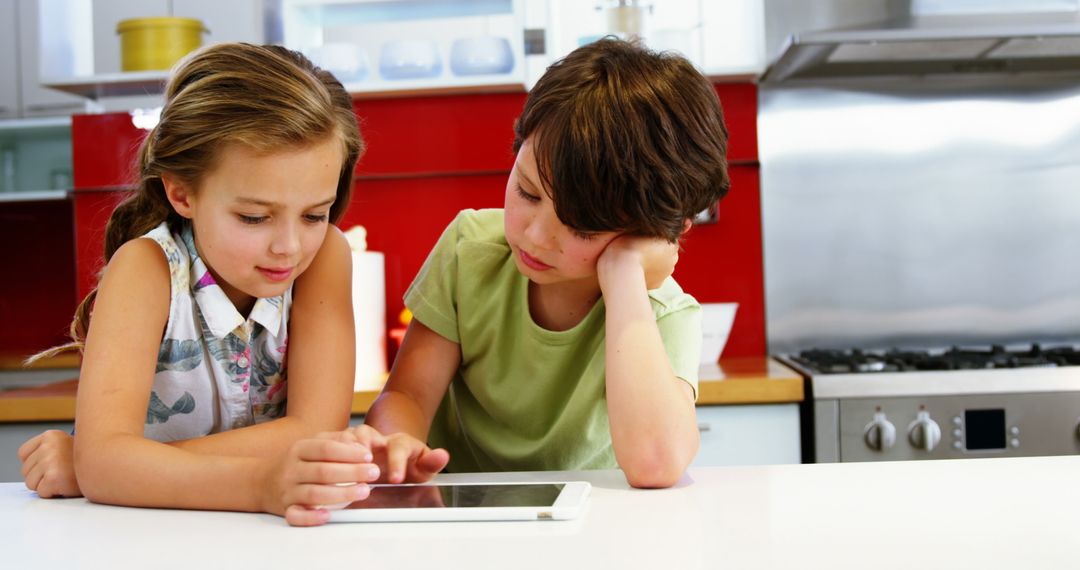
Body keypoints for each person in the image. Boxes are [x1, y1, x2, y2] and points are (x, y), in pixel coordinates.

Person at [16, 43, 408, 526]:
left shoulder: (325, 255)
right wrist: (259, 485)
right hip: (140, 537)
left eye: (314, 214)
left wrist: (116, 465)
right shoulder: (146, 270)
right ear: (181, 191)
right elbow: (105, 464)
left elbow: (314, 430)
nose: (288, 246)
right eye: (254, 216)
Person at [364, 37, 730, 488]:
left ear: (655, 233)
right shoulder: (471, 250)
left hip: (593, 526)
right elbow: (407, 395)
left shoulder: (662, 313)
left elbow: (655, 463)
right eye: (527, 192)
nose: (535, 236)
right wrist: (396, 445)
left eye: (582, 228)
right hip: (464, 518)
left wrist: (622, 272)